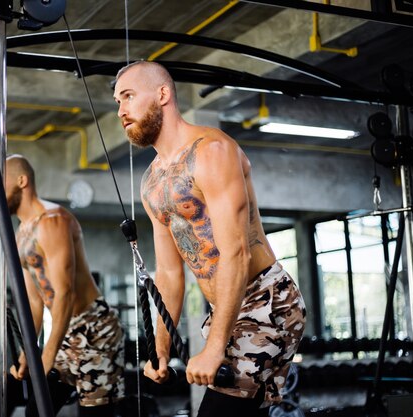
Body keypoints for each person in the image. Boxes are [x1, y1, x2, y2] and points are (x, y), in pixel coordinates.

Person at [113, 61, 306, 416]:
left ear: (162, 94)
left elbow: (237, 254)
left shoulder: (213, 151)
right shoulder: (152, 183)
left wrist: (215, 348)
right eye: (117, 102)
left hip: (266, 300)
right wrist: (161, 349)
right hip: (227, 310)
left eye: (127, 96)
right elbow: (170, 274)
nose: (121, 110)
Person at [5, 154, 124, 417]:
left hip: (95, 328)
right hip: (65, 327)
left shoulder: (53, 221)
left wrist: (46, 357)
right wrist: (28, 353)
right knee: (36, 410)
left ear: (21, 181)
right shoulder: (21, 234)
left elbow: (65, 293)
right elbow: (35, 303)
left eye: (2, 182)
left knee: (94, 414)